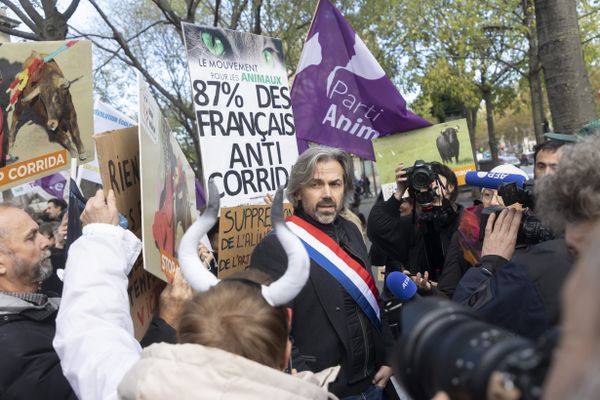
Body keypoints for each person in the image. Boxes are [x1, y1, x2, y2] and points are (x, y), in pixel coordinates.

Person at [54, 185, 337, 400]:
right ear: (286, 352)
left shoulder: (135, 388)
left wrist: (101, 237)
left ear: (184, 337)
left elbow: (90, 330)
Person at [0, 198, 187, 399]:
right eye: (31, 237)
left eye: (38, 231)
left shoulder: (47, 302)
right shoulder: (9, 350)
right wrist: (167, 325)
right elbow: (105, 388)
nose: (46, 241)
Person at [251, 146, 392, 399]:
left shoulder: (351, 230)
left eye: (335, 184)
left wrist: (390, 357)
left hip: (375, 382)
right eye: (316, 184)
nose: (327, 194)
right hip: (325, 390)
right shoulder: (276, 247)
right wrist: (308, 386)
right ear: (297, 191)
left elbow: (373, 298)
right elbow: (273, 329)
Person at [367, 160, 462, 288]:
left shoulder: (465, 221)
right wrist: (400, 190)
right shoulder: (414, 225)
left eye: (434, 177)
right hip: (422, 300)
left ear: (450, 186)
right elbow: (376, 229)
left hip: (459, 300)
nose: (430, 183)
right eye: (425, 179)